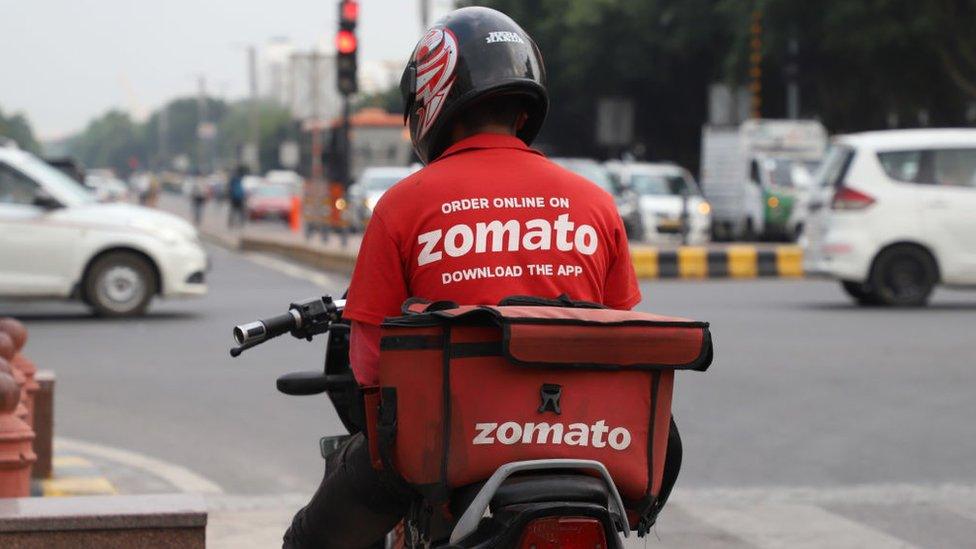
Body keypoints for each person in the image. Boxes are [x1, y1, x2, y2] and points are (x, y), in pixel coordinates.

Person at [284, 7, 641, 548]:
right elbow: (623, 337)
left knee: (309, 540)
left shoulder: (404, 206)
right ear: (525, 105)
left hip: (444, 452)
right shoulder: (595, 204)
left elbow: (368, 362)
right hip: (587, 446)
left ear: (432, 100)